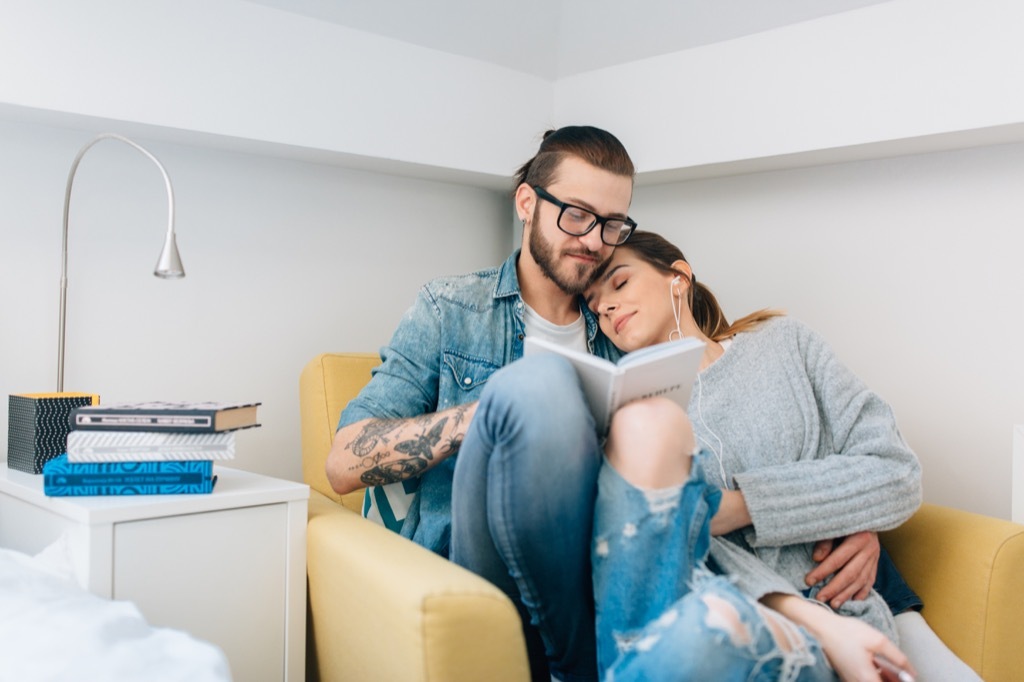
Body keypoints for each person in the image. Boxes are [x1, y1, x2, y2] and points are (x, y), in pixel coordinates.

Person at [583, 230, 981, 680]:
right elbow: (676, 546)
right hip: (747, 633)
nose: (606, 307)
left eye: (618, 284)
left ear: (679, 278)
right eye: (595, 303)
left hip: (860, 617)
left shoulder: (785, 344)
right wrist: (831, 510)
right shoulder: (633, 422)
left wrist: (740, 507)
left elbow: (896, 472)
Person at [326, 125, 637, 681]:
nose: (594, 240)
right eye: (576, 214)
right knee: (537, 387)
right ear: (527, 202)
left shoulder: (619, 328)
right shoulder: (451, 310)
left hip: (594, 572)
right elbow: (344, 463)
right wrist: (488, 418)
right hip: (477, 566)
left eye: (612, 224)